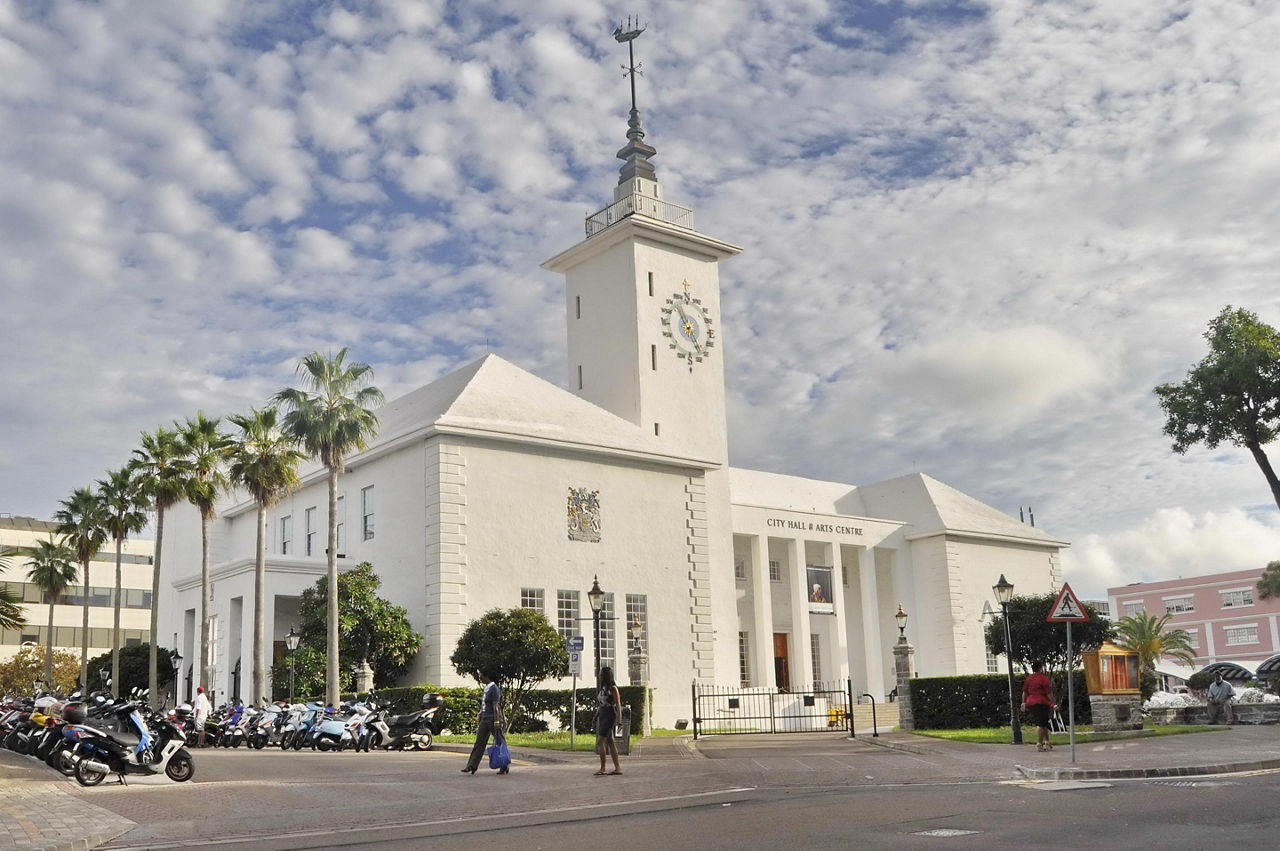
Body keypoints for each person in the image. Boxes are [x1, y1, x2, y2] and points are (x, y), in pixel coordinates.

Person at [462, 669, 507, 775]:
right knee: (479, 743)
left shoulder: (494, 688)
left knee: (499, 742)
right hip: (485, 719)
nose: (479, 677)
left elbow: (496, 705)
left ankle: (504, 765)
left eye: (480, 675)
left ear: (486, 676)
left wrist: (496, 720)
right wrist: (480, 712)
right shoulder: (487, 689)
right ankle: (471, 766)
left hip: (493, 719)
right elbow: (485, 704)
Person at [1020, 661, 1057, 752]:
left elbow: (1025, 692)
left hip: (1031, 702)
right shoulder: (1044, 679)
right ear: (1040, 668)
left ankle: (1047, 742)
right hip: (1042, 702)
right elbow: (1049, 693)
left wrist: (1023, 702)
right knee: (1041, 724)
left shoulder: (1029, 679)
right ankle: (1039, 743)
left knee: (1043, 722)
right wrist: (1053, 703)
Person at [594, 666, 623, 776]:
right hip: (602, 714)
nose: (600, 677)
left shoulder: (613, 689)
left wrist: (619, 720)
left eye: (601, 675)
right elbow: (601, 704)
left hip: (610, 715)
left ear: (606, 676)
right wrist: (596, 715)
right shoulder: (603, 688)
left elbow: (618, 705)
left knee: (600, 741)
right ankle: (617, 768)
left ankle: (603, 768)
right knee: (610, 741)